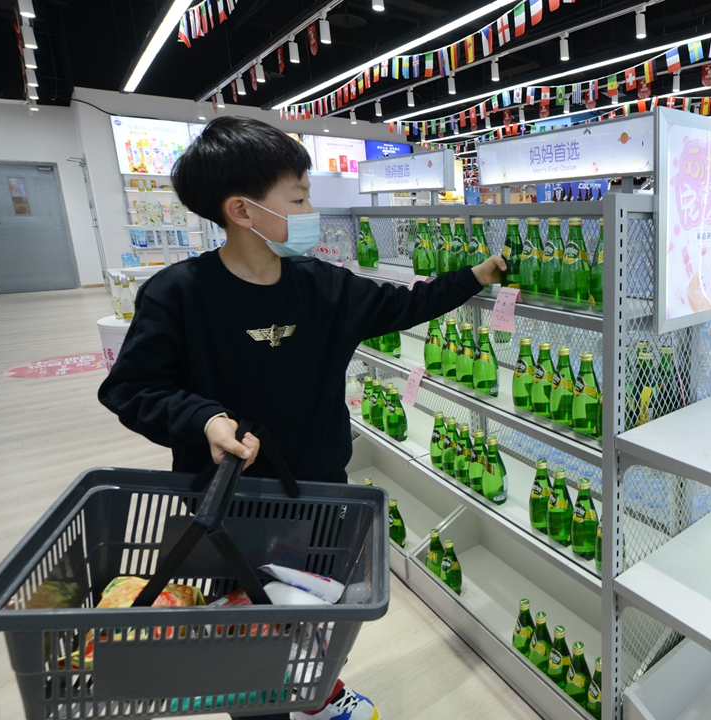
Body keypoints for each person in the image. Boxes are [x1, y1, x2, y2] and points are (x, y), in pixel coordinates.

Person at [99, 116, 504, 720]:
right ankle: (268, 702)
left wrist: (475, 277)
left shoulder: (323, 288)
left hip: (318, 491)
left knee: (317, 607)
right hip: (229, 501)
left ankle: (316, 688)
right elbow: (131, 388)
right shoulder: (178, 294)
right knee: (247, 628)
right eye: (299, 197)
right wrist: (203, 418)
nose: (312, 208)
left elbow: (404, 303)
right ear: (242, 210)